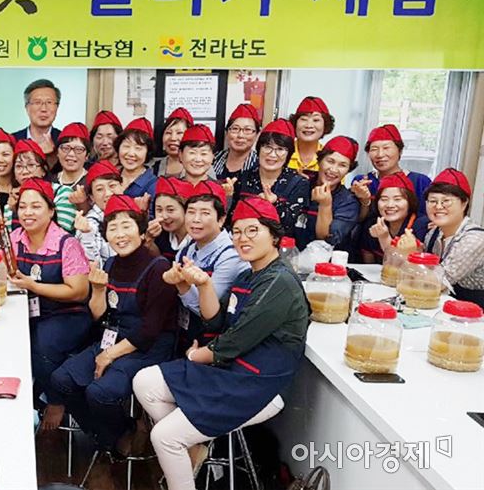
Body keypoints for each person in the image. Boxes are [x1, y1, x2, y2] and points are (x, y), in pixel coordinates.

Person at [133, 198, 310, 490]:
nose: (243, 238)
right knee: (144, 381)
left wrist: (196, 356)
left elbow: (236, 340)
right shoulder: (247, 275)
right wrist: (200, 284)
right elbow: (215, 323)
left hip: (259, 383)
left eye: (253, 230)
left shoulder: (279, 281)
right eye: (237, 232)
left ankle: (185, 448)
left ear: (274, 236)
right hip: (229, 371)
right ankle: (194, 446)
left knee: (164, 437)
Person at [45, 195, 178, 457]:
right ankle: (120, 434)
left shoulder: (158, 268)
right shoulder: (111, 264)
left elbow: (150, 331)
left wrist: (109, 355)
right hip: (114, 337)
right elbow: (100, 316)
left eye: (127, 226)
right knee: (60, 380)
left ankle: (109, 443)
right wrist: (97, 289)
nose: (120, 234)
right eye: (113, 228)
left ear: (141, 231)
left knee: (100, 393)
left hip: (147, 347)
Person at [0, 178, 90, 406]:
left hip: (66, 313)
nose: (27, 212)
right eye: (22, 207)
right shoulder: (15, 238)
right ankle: (18, 399)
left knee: (41, 344)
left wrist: (33, 286)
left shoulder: (66, 243)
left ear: (51, 211)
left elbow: (79, 291)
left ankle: (55, 403)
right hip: (28, 311)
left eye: (36, 206)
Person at [166, 181, 249, 355]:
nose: (196, 219)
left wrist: (182, 285)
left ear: (221, 219)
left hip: (213, 345)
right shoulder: (186, 250)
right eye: (191, 212)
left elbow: (208, 312)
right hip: (184, 333)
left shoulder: (231, 255)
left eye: (205, 213)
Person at [228, 119, 311, 240]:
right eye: (267, 147)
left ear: (289, 154)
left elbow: (296, 228)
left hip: (280, 247)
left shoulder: (299, 183)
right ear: (259, 149)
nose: (272, 154)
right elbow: (230, 221)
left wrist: (275, 204)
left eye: (280, 149)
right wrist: (227, 198)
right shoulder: (243, 177)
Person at [422, 169, 484, 308]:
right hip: (444, 307)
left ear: (464, 203)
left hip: (476, 313)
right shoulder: (433, 234)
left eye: (446, 201)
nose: (438, 206)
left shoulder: (474, 239)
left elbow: (438, 283)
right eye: (432, 201)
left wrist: (410, 254)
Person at [350, 124, 433, 220]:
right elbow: (353, 220)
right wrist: (364, 200)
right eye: (374, 149)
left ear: (400, 151)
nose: (380, 154)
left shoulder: (421, 182)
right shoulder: (361, 182)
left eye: (386, 148)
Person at [297, 136, 361, 250]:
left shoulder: (348, 202)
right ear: (319, 161)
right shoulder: (299, 183)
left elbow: (326, 240)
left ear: (348, 170)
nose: (333, 169)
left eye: (342, 165)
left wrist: (325, 205)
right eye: (330, 161)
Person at [357, 172, 427, 263]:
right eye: (384, 199)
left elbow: (402, 266)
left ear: (410, 201)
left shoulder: (422, 226)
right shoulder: (372, 224)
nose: (390, 205)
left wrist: (384, 237)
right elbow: (367, 266)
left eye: (397, 199)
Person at [73, 160, 123, 265]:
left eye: (112, 186)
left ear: (122, 186)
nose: (108, 193)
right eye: (100, 189)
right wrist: (87, 234)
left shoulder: (130, 213)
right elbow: (93, 266)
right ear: (91, 197)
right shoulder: (89, 224)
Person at [13, 79, 63, 170]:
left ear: (57, 107)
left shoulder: (65, 142)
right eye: (37, 102)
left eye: (49, 102)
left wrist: (52, 155)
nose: (43, 109)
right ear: (27, 107)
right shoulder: (13, 141)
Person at [144, 177, 192, 260]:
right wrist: (149, 240)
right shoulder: (159, 234)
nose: (164, 216)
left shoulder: (199, 238)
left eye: (170, 210)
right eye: (159, 210)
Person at [287, 96, 332, 180]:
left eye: (316, 120)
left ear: (325, 125)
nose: (309, 125)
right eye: (304, 119)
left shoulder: (331, 159)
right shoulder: (282, 152)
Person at [54, 122, 90, 222]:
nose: (71, 154)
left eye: (78, 149)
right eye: (65, 148)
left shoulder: (92, 182)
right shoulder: (49, 181)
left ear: (87, 156)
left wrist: (83, 204)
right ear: (57, 152)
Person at [213, 104, 260, 180]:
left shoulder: (261, 165)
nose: (240, 135)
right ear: (227, 133)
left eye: (247, 130)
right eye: (235, 129)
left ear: (257, 135)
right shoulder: (213, 160)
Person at [118, 118, 158, 206]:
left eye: (138, 148)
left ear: (148, 152)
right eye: (126, 146)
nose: (131, 153)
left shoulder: (153, 185)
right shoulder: (110, 176)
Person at [152, 108, 194, 177]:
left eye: (179, 133)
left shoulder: (202, 167)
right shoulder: (152, 168)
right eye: (168, 133)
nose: (173, 138)